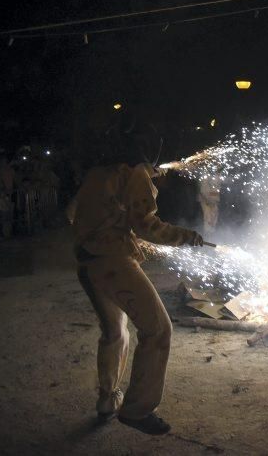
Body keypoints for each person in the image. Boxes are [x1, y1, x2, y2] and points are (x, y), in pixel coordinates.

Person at [69, 113, 203, 435]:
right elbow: (146, 225)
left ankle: (107, 400)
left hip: (88, 263)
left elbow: (74, 213)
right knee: (158, 329)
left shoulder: (98, 173)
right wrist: (185, 236)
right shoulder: (136, 173)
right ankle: (138, 410)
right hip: (113, 262)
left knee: (116, 331)